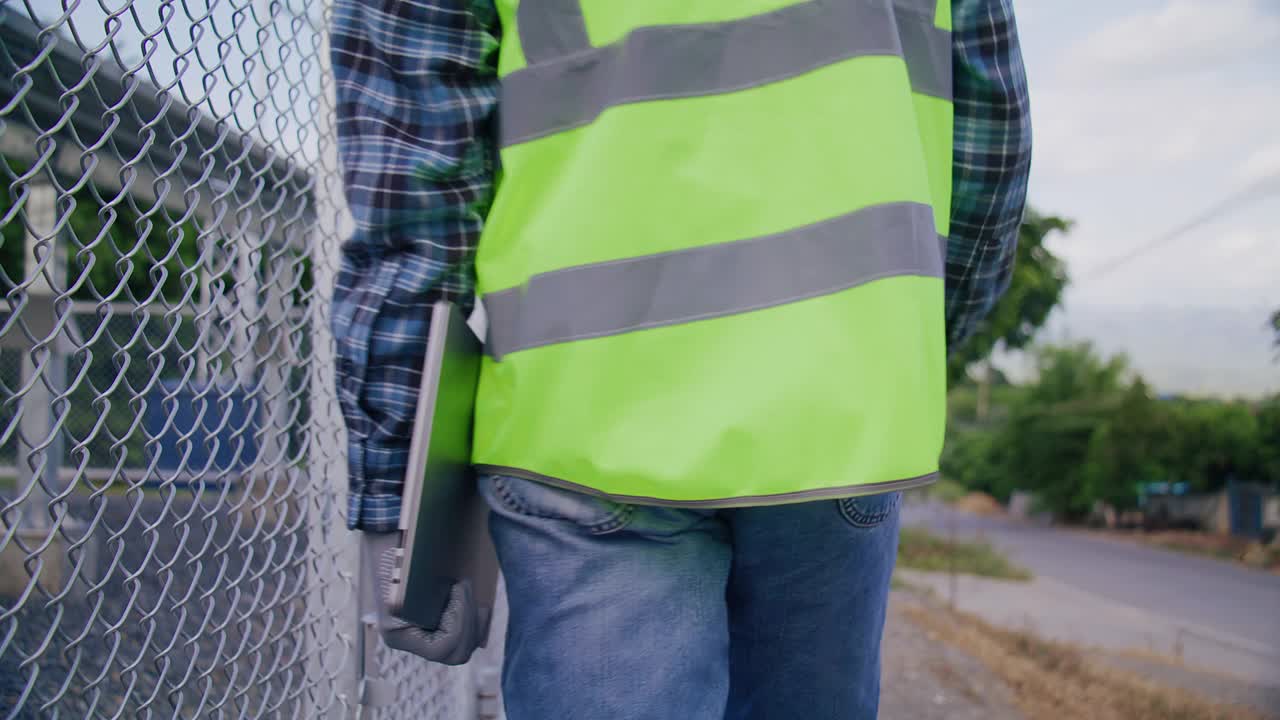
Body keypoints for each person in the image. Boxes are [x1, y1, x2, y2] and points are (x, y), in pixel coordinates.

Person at [330, 0, 1030, 717]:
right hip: (836, 415)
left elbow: (410, 196)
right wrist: (895, 343)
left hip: (583, 420)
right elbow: (987, 148)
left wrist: (397, 492)